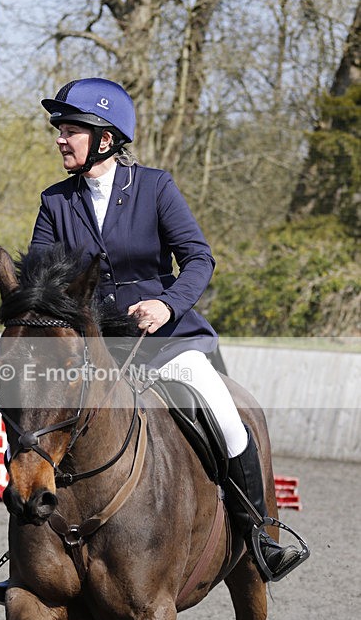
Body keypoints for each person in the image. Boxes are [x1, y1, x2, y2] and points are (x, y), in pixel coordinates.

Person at [29, 77, 301, 580]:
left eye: (71, 130)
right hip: (96, 348)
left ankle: (259, 533)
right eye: (59, 130)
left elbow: (199, 258)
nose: (61, 139)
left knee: (218, 405)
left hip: (163, 340)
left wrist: (167, 304)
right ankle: (29, 558)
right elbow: (42, 279)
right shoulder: (55, 202)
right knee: (38, 416)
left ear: (105, 139)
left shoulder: (155, 187)